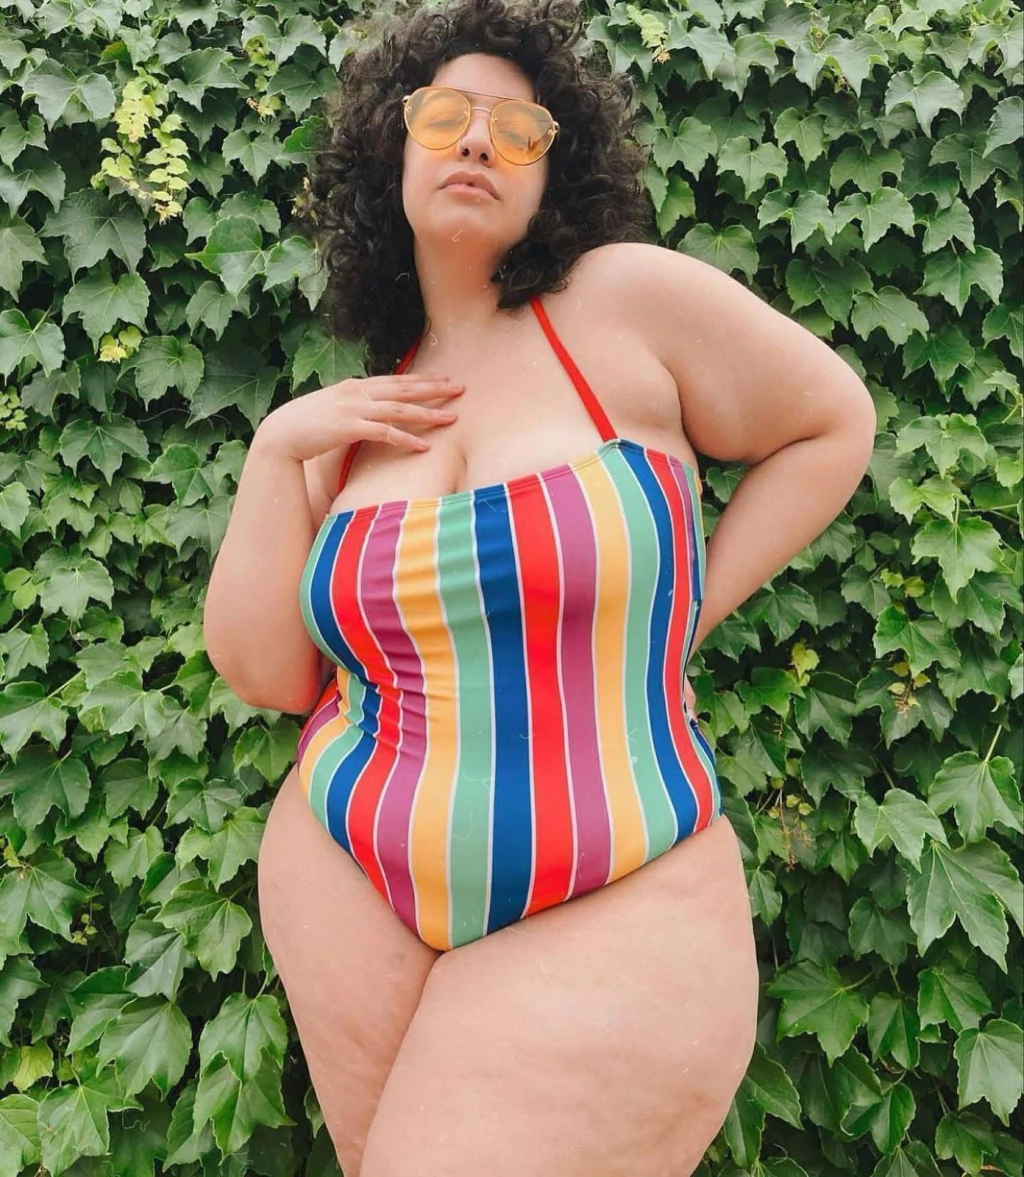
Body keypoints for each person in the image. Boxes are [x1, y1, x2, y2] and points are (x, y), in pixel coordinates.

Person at [203, 0, 877, 1172]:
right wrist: (275, 452)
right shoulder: (363, 411)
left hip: (614, 895)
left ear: (552, 172)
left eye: (516, 130)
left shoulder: (620, 304)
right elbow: (267, 673)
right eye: (445, 116)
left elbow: (832, 422)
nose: (477, 139)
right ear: (392, 150)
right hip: (344, 883)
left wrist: (689, 613)